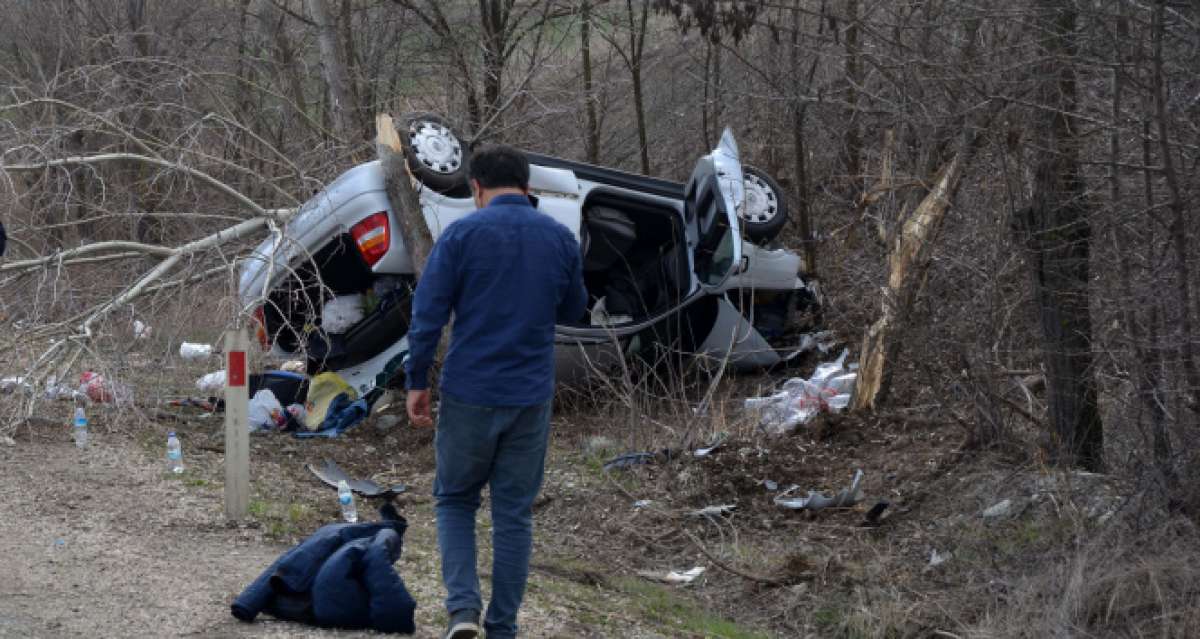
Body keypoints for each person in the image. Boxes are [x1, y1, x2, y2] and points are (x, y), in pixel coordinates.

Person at [404, 144, 588, 639]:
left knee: (455, 500)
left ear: (476, 189)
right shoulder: (560, 238)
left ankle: (463, 613)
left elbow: (426, 318)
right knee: (513, 514)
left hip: (469, 390)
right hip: (529, 395)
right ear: (527, 187)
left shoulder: (461, 234)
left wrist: (416, 381)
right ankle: (503, 628)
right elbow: (575, 312)